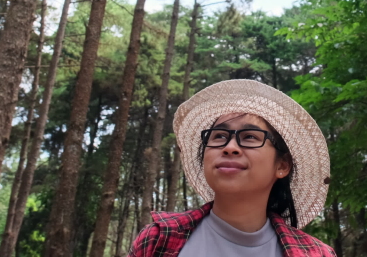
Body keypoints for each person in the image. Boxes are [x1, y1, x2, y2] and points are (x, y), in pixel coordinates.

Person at [129, 79, 337, 257]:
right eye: (219, 136)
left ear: (282, 165)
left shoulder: (317, 253)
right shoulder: (158, 240)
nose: (230, 147)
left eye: (250, 137)